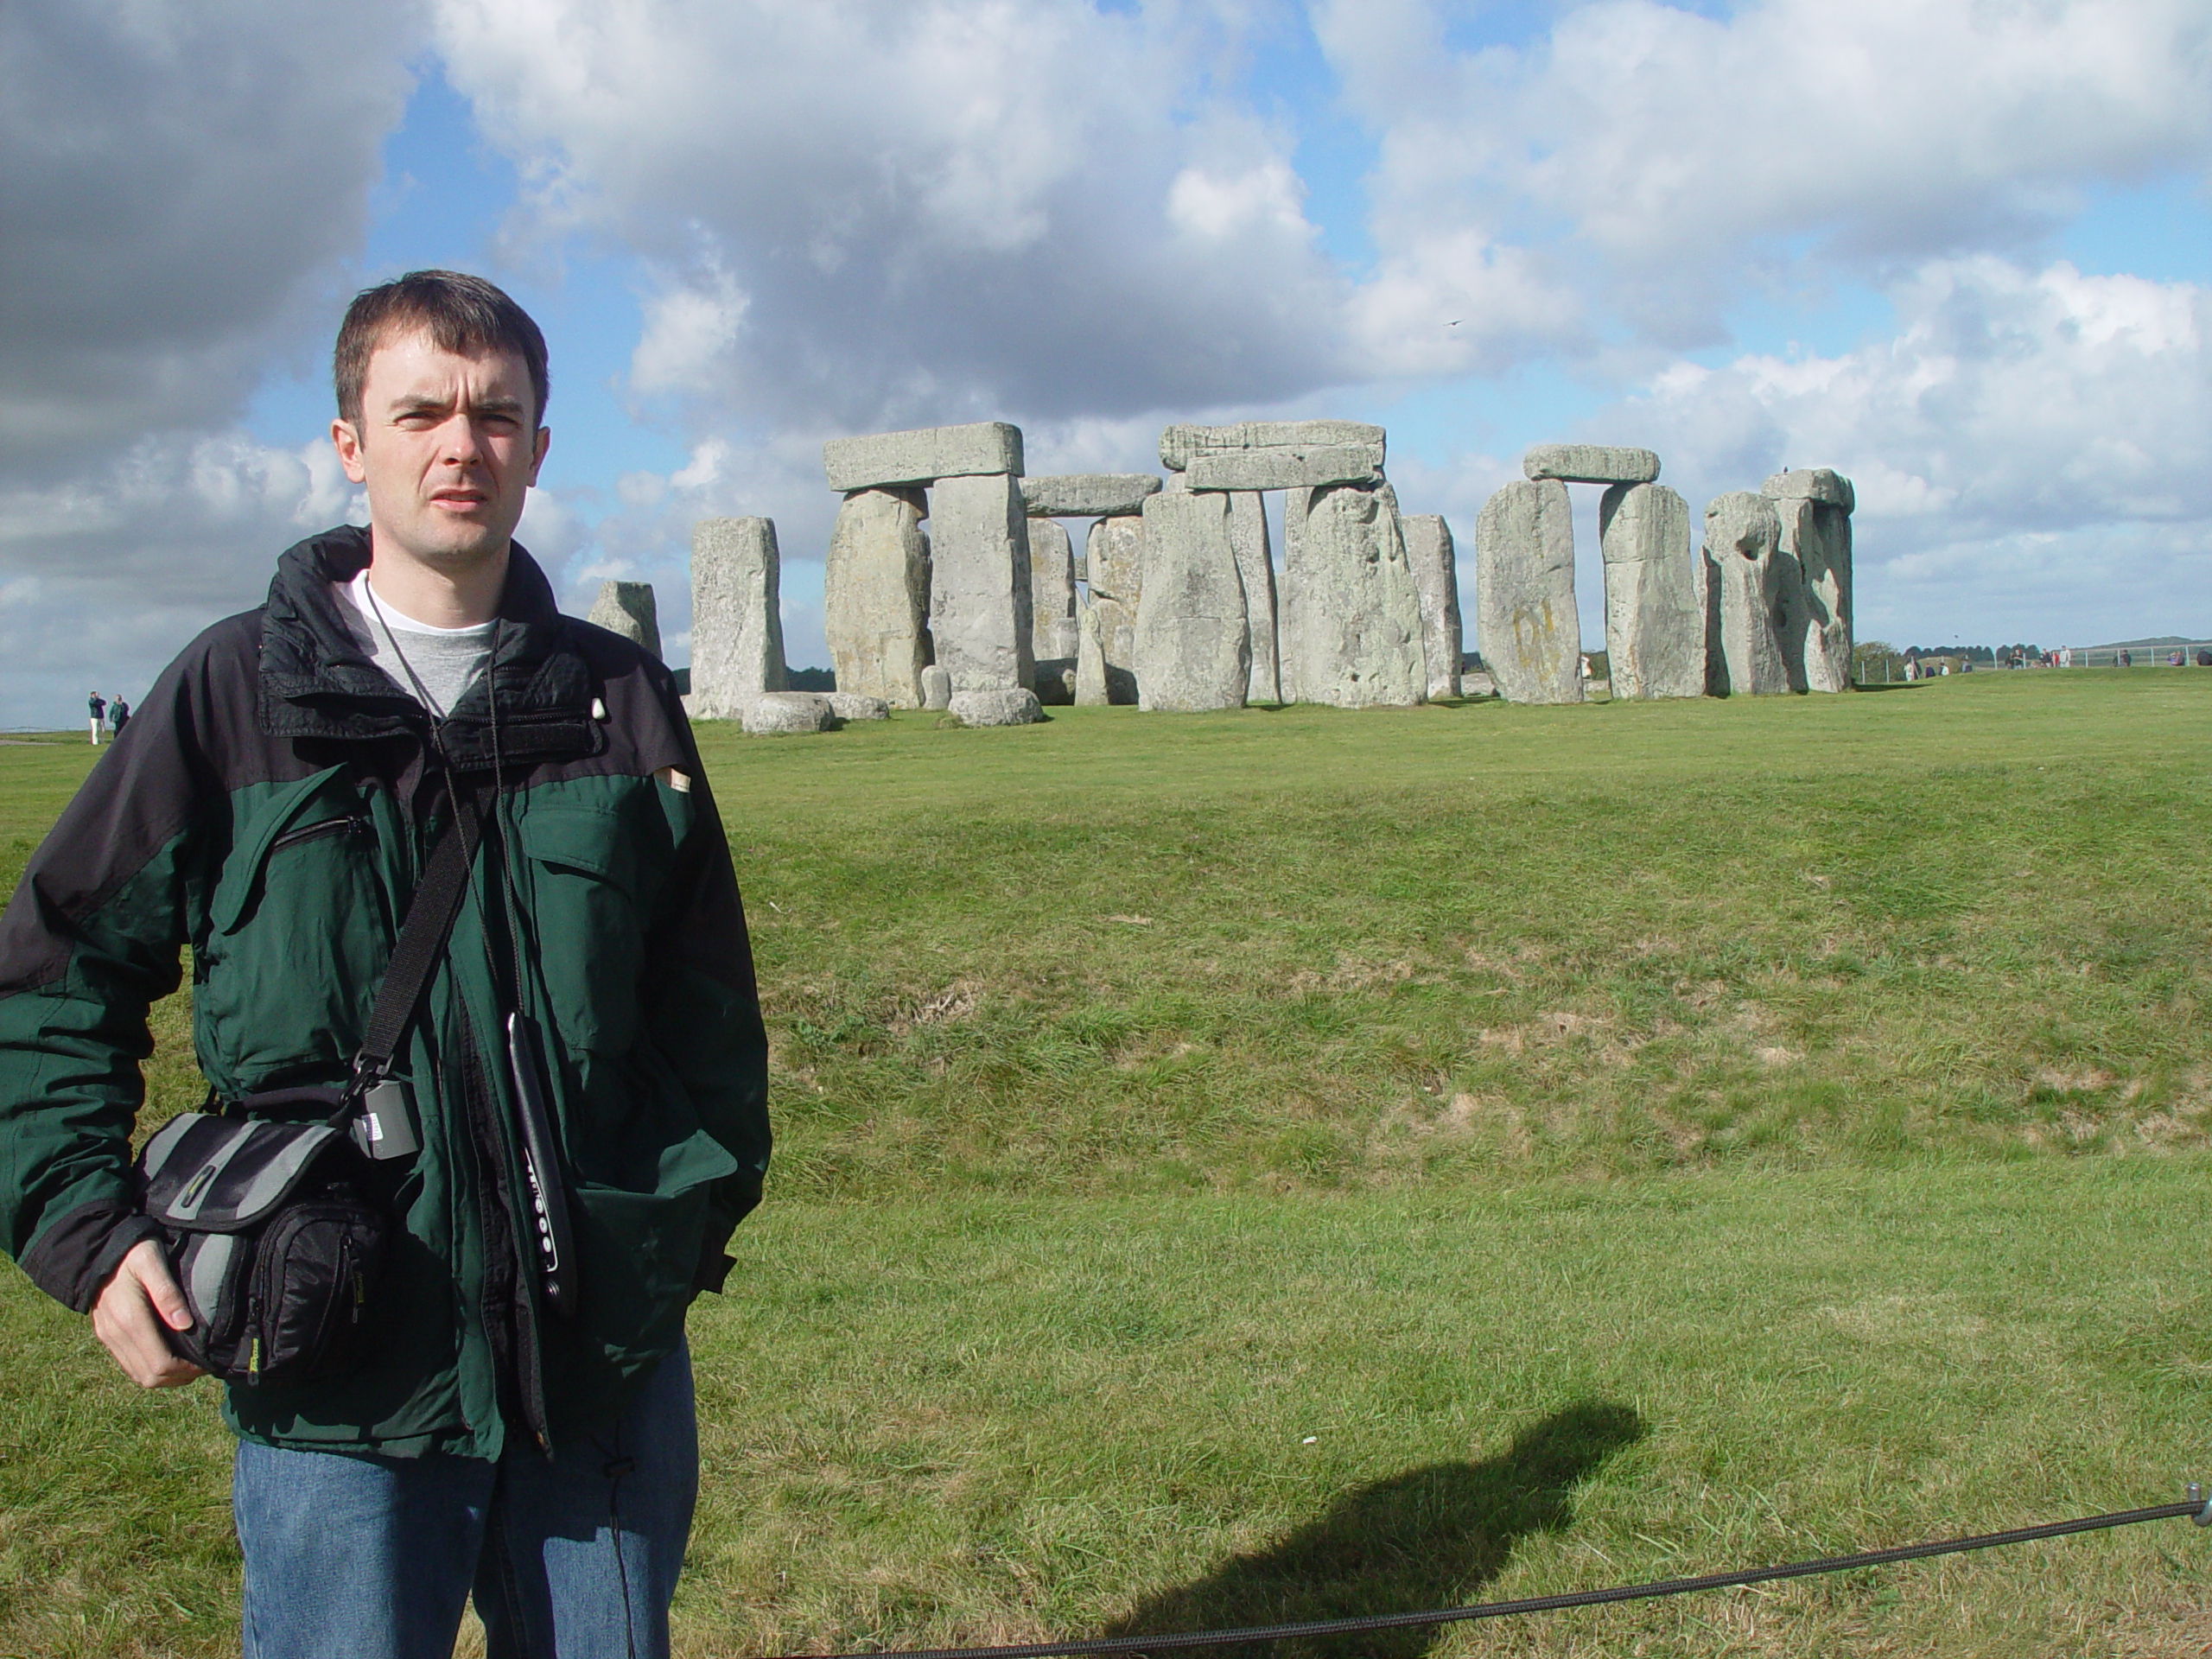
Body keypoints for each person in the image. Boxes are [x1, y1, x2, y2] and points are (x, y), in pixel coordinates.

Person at [0, 271, 769, 1659]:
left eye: (495, 415)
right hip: (339, 1358)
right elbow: (49, 977)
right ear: (352, 442)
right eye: (419, 411)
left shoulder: (618, 700)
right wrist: (85, 1233)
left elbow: (706, 1001)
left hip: (594, 1365)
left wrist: (683, 1222)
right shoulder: (232, 695)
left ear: (538, 447)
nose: (458, 446)